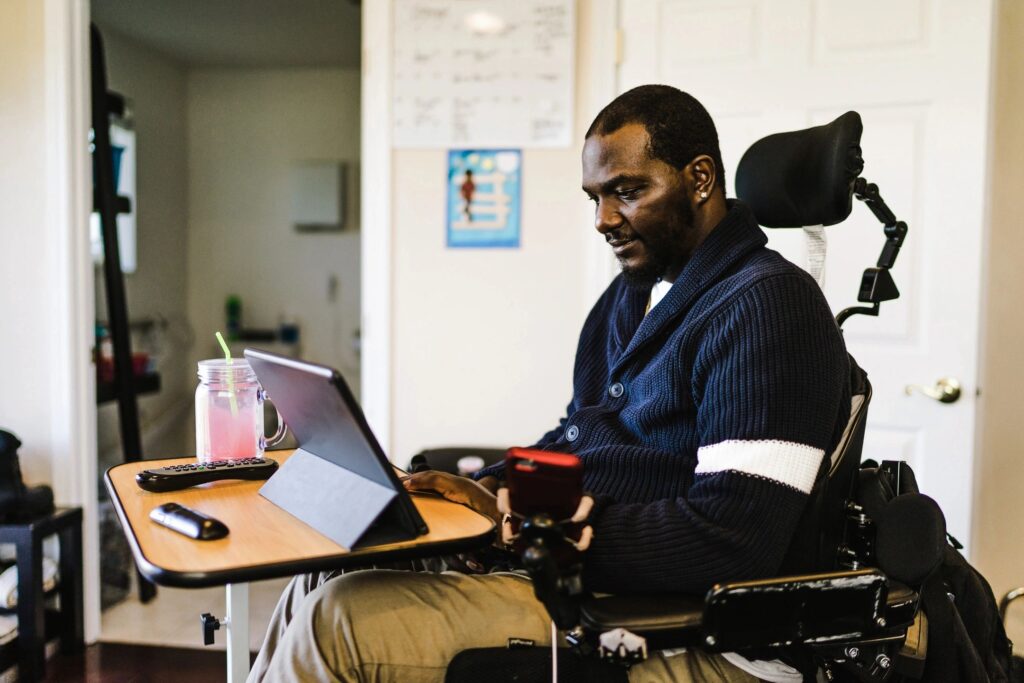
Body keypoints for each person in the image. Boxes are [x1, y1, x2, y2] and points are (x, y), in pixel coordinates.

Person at [248, 85, 851, 683]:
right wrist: (479, 491)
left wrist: (518, 531)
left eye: (628, 192)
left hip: (685, 626)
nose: (604, 220)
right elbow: (580, 436)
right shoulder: (633, 294)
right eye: (595, 197)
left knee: (341, 618)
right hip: (585, 574)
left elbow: (735, 535)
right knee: (322, 574)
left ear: (699, 179)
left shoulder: (769, 305)